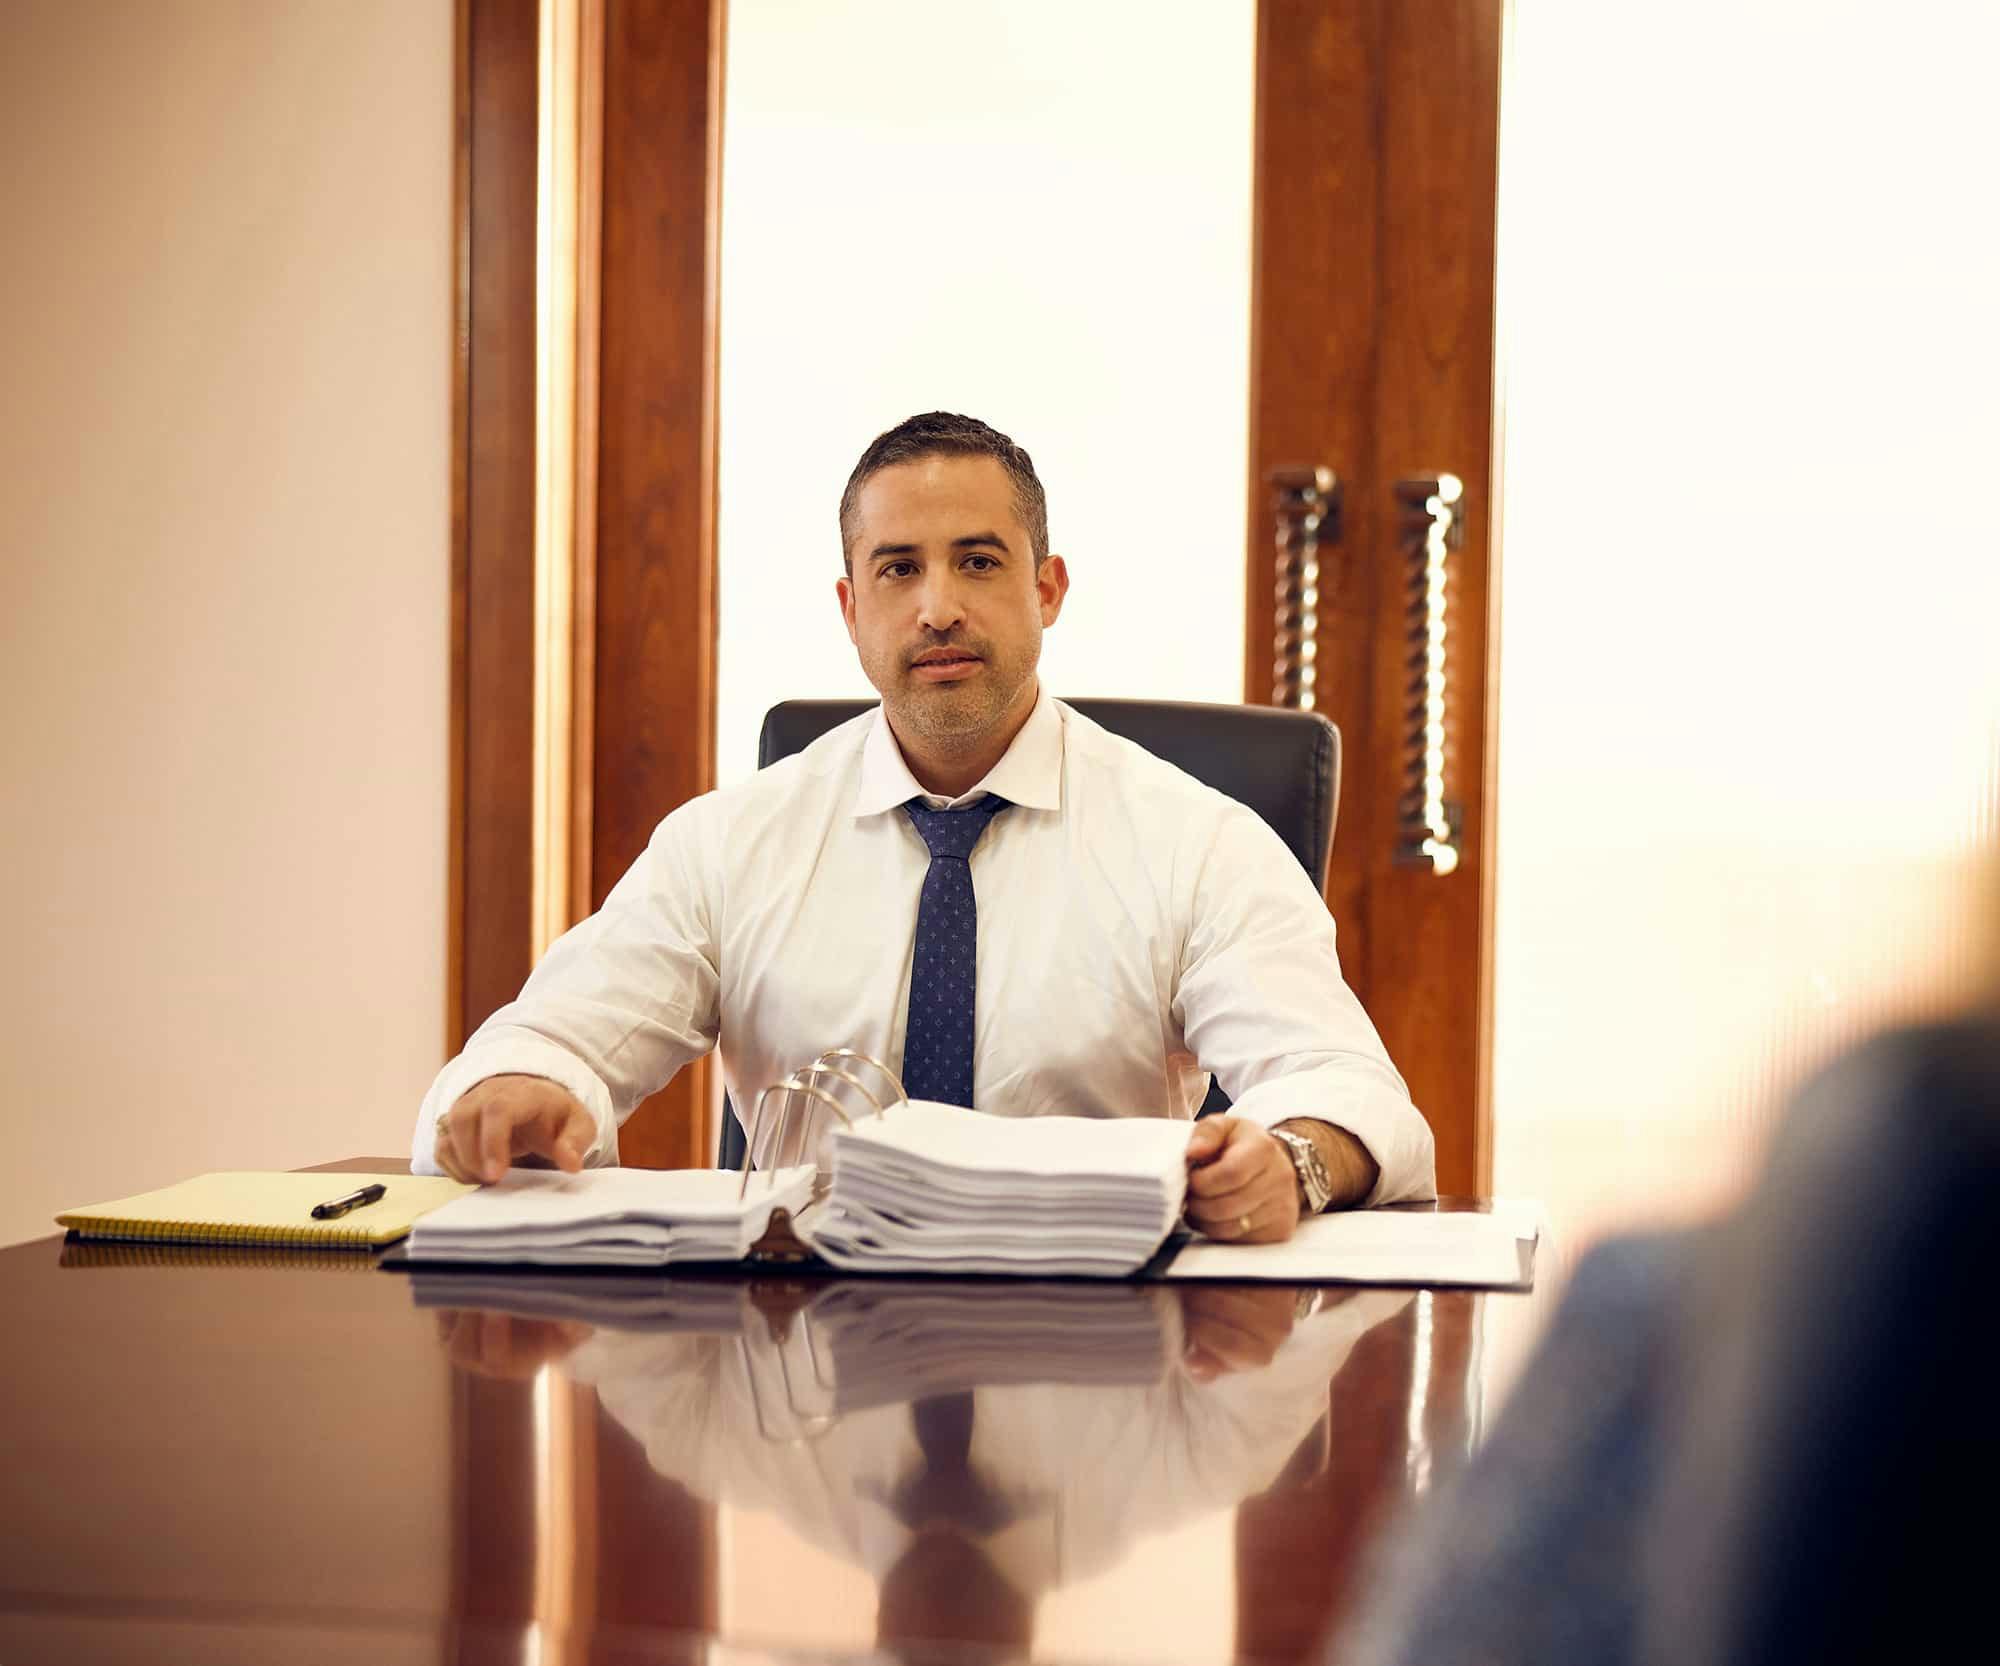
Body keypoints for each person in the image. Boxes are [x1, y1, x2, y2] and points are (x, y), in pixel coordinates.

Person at [414, 412, 1436, 1237]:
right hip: (798, 1380)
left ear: (1047, 589)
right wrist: (522, 1089)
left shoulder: (1195, 840)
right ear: (850, 606)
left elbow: (1342, 1083)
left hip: (1101, 1364)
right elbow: (552, 1035)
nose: (937, 607)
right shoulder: (728, 843)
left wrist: (1292, 1160)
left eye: (979, 562)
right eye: (898, 568)